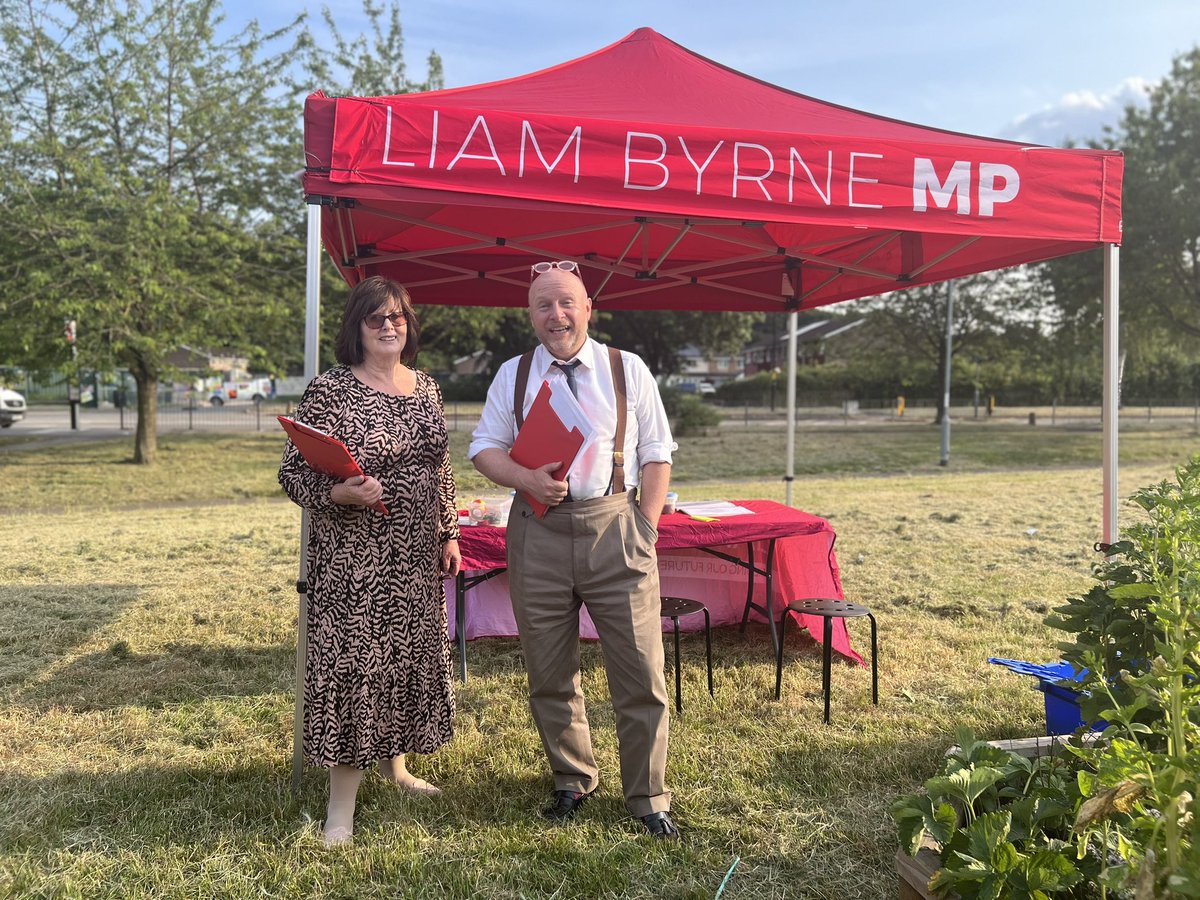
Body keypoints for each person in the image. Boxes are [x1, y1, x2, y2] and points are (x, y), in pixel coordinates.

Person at [468, 261, 680, 841]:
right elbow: (484, 447)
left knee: (640, 671)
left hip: (616, 525)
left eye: (566, 303)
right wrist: (524, 478)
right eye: (543, 305)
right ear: (530, 315)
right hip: (538, 530)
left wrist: (647, 526)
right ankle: (572, 778)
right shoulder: (513, 374)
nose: (555, 315)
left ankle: (647, 795)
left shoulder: (625, 368)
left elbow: (658, 452)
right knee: (549, 669)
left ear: (588, 308)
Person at [278, 276, 462, 847]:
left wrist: (448, 531)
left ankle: (398, 766)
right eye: (376, 318)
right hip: (354, 559)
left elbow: (440, 467)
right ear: (355, 328)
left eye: (398, 317)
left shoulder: (426, 387)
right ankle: (341, 809)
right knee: (359, 668)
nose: (389, 327)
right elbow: (292, 473)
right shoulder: (331, 389)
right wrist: (337, 494)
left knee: (406, 657)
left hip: (414, 555)